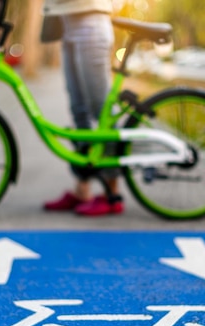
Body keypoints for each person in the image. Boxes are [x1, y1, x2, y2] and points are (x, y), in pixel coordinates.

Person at [41, 0, 123, 216]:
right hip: (66, 23)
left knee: (101, 109)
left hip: (91, 22)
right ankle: (82, 190)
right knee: (79, 111)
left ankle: (112, 193)